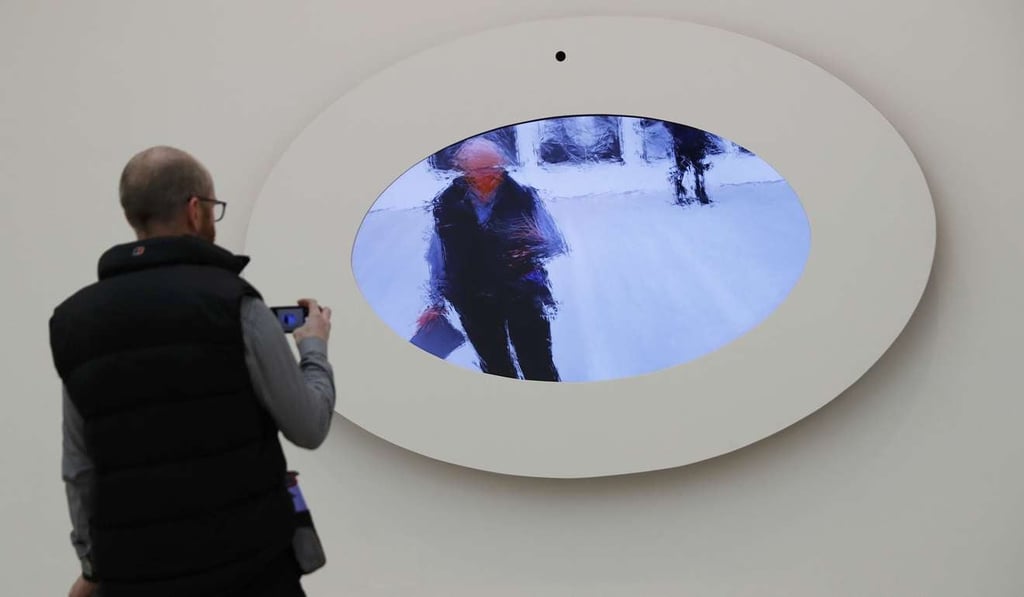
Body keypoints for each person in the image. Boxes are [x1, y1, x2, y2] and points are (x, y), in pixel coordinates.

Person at [48, 146, 336, 597]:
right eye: (214, 209)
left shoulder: (73, 321)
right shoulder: (235, 302)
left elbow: (80, 469)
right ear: (194, 209)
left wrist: (92, 567)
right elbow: (309, 424)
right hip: (250, 571)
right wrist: (313, 346)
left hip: (136, 578)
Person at [417, 137, 567, 381]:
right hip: (472, 300)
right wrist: (435, 302)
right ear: (465, 171)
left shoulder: (523, 198)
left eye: (495, 169)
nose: (490, 176)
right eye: (480, 170)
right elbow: (438, 256)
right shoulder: (447, 204)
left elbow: (555, 243)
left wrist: (536, 242)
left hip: (522, 294)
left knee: (539, 364)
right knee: (495, 369)